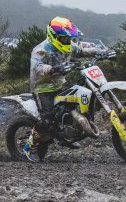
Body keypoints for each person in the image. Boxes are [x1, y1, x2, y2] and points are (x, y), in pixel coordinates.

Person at [24, 16, 98, 162]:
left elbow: (82, 51)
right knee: (47, 118)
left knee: (74, 105)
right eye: (64, 39)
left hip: (59, 85)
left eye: (68, 39)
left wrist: (102, 52)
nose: (67, 42)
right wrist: (52, 69)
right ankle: (29, 146)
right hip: (42, 88)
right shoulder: (40, 50)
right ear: (54, 36)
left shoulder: (68, 46)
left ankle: (66, 137)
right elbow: (37, 67)